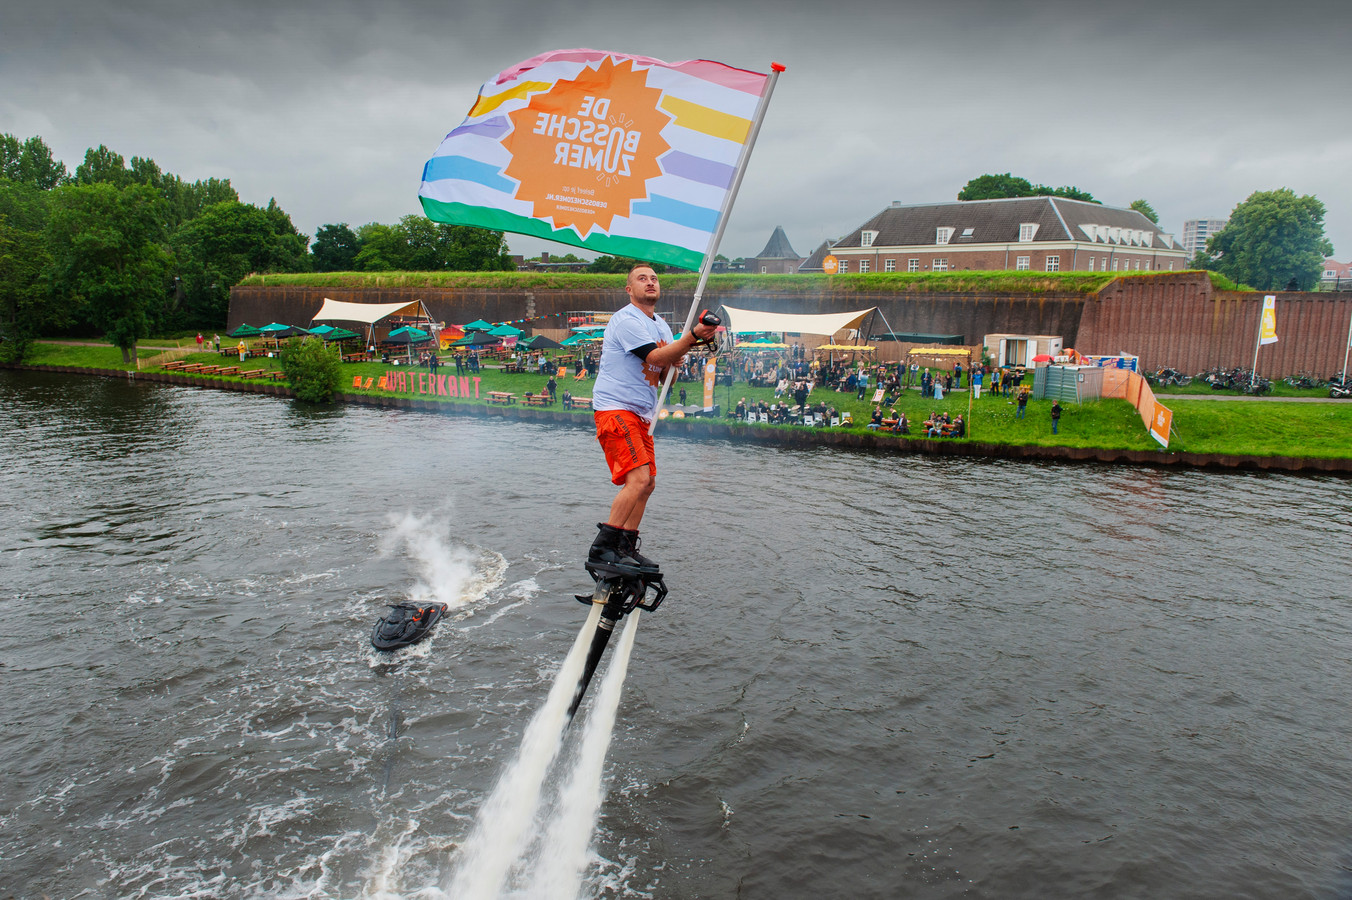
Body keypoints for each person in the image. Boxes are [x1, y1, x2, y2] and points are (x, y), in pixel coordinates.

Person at [587, 264, 717, 579]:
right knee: (639, 480)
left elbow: (663, 380)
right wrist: (691, 338)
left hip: (641, 414)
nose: (650, 282)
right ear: (629, 289)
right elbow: (655, 359)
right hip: (616, 408)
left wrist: (678, 359)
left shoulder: (661, 327)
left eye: (654, 279)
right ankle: (603, 549)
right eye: (642, 279)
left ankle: (625, 548)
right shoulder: (626, 320)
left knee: (648, 484)